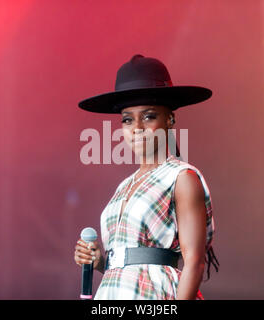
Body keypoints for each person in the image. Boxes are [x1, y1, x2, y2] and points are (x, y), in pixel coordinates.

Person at [74, 54, 219, 300]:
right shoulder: (124, 186)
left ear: (170, 118)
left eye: (149, 116)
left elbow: (195, 263)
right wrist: (100, 262)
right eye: (128, 119)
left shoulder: (182, 177)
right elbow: (129, 264)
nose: (137, 127)